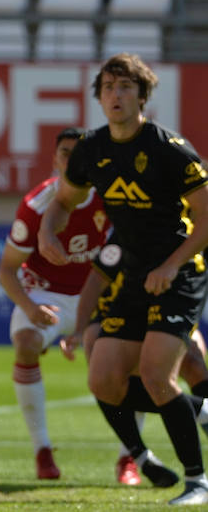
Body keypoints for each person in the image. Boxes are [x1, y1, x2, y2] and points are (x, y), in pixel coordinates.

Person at [39, 54, 208, 505]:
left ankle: (197, 481)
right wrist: (46, 227)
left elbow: (206, 220)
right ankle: (199, 409)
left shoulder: (170, 148)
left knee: (156, 374)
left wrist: (171, 265)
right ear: (98, 97)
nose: (116, 94)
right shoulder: (92, 149)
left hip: (179, 272)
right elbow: (63, 202)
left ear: (143, 96)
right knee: (104, 380)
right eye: (109, 87)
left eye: (126, 87)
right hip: (133, 274)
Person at [0, 127, 111, 480]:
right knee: (27, 344)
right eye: (65, 153)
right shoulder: (36, 206)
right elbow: (7, 270)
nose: (71, 160)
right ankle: (43, 451)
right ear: (55, 159)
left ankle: (129, 457)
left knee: (123, 362)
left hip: (98, 293)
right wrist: (31, 309)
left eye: (78, 153)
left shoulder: (111, 196)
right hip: (46, 295)